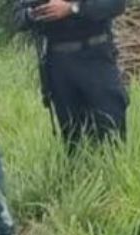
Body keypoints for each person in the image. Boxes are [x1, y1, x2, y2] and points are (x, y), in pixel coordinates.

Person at [15, 0, 128, 149]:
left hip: (97, 57)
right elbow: (18, 18)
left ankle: (115, 169)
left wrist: (72, 8)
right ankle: (77, 171)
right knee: (73, 138)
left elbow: (116, 5)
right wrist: (36, 13)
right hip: (59, 63)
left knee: (111, 128)